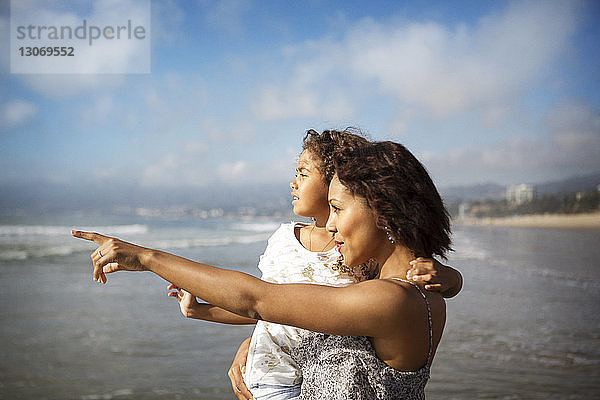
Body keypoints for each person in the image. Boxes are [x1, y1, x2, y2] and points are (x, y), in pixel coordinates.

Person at [72, 138, 455, 399]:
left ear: (383, 209)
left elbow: (258, 299)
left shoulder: (391, 299)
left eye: (338, 209)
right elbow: (286, 316)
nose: (332, 225)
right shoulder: (413, 288)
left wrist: (149, 258)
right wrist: (254, 344)